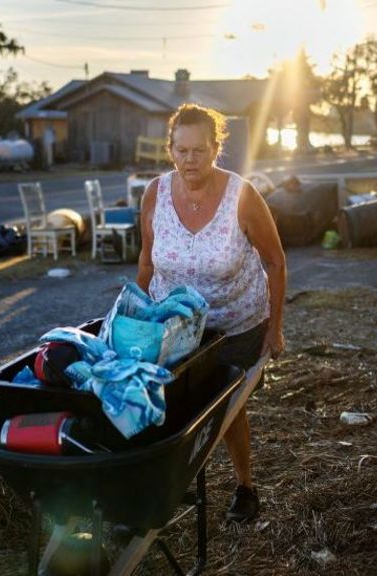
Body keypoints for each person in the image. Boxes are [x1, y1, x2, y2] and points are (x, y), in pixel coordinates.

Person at [137, 103, 286, 522]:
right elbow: (147, 262)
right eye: (181, 150)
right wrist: (136, 318)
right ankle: (165, 485)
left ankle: (245, 486)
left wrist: (275, 329)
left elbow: (275, 261)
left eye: (199, 150)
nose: (190, 160)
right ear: (170, 149)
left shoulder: (242, 195)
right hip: (174, 326)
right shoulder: (155, 193)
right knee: (169, 405)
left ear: (216, 148)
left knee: (227, 409)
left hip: (234, 325)